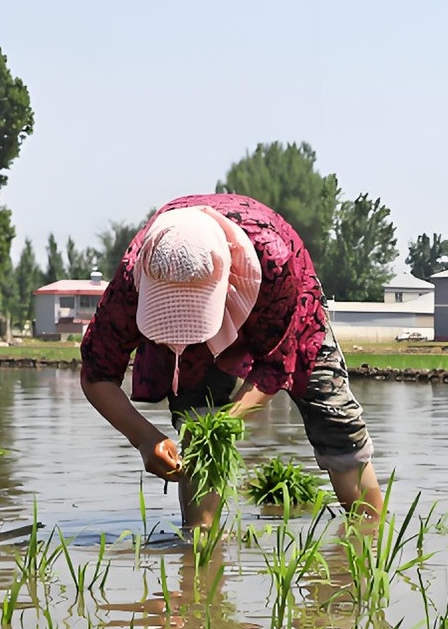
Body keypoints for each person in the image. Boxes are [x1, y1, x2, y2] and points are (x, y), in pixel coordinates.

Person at [79, 194, 383, 531]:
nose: (188, 334)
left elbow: (276, 366)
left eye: (194, 318)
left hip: (277, 300)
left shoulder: (277, 260)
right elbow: (96, 372)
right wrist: (143, 438)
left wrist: (226, 424)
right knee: (198, 424)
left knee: (333, 415)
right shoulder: (134, 274)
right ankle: (199, 544)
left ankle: (369, 533)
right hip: (196, 313)